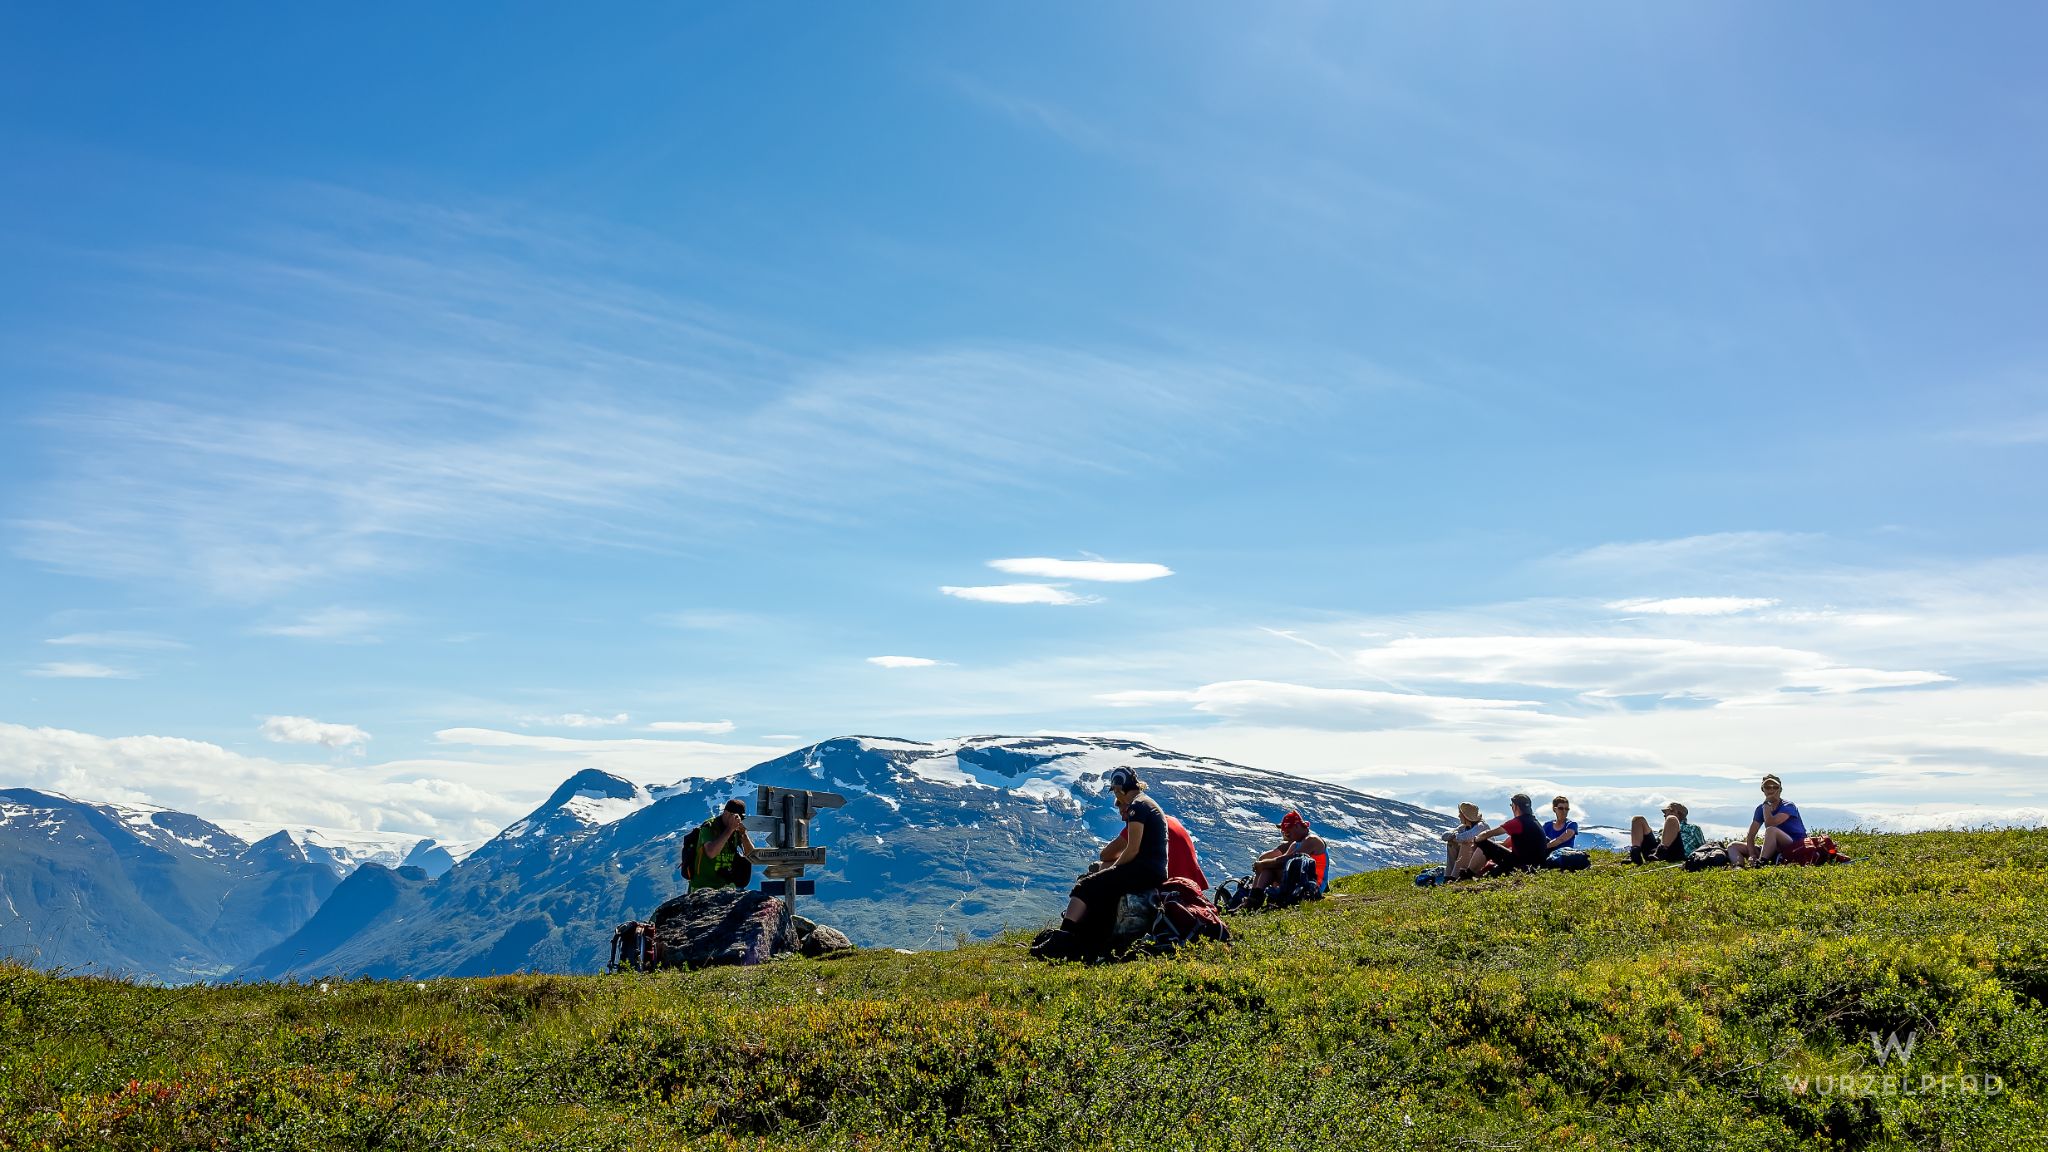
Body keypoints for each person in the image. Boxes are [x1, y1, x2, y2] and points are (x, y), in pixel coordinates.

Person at [1060, 767, 1171, 950]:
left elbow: (1132, 849)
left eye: (1117, 792)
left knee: (1086, 885)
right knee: (1106, 891)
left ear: (1119, 789)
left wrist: (1112, 870)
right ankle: (1090, 940)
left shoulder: (1137, 806)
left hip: (1144, 869)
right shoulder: (1146, 803)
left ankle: (1063, 937)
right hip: (1152, 870)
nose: (1117, 797)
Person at [1100, 796, 1208, 891]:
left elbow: (1105, 855)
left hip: (1168, 882)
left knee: (1104, 866)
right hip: (1193, 883)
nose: (1123, 818)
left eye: (1124, 812)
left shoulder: (1140, 822)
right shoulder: (1172, 820)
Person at [1729, 774, 1811, 866]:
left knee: (1771, 830)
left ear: (1780, 790)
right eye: (1767, 787)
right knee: (1733, 846)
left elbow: (1770, 823)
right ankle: (1738, 867)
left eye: (1775, 787)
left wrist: (1766, 804)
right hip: (1773, 848)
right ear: (1763, 790)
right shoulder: (1761, 809)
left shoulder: (1788, 806)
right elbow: (1751, 835)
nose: (1771, 790)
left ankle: (1761, 862)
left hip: (1794, 844)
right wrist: (1752, 854)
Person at [1461, 794, 1549, 877]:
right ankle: (1475, 873)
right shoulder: (1534, 822)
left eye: (1512, 806)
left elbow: (1487, 834)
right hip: (1536, 867)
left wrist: (1476, 841)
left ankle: (1468, 874)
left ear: (1516, 807)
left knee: (1483, 843)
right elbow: (1506, 843)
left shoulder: (1517, 822)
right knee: (1491, 847)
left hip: (1521, 866)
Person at [1251, 811, 1328, 895]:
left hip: (1314, 885)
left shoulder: (1312, 840)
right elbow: (1282, 860)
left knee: (1269, 867)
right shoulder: (1295, 844)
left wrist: (1262, 864)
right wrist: (1261, 865)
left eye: (1287, 832)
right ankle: (1253, 897)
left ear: (1297, 826)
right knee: (1268, 867)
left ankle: (1255, 897)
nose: (1286, 836)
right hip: (1302, 881)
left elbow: (1285, 860)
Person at [685, 798, 754, 891]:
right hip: (702, 886)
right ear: (726, 813)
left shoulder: (736, 830)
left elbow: (751, 854)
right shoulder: (709, 826)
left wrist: (743, 834)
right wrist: (730, 829)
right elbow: (711, 853)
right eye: (735, 817)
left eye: (740, 818)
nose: (737, 821)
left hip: (726, 886)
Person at [1628, 800, 1704, 865]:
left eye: (1666, 812)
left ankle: (1659, 855)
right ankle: (1635, 854)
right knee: (1638, 819)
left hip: (1675, 853)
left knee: (1671, 819)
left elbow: (1703, 847)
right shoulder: (1663, 830)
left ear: (1675, 812)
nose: (1664, 815)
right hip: (1655, 852)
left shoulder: (1693, 828)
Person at [1441, 802, 1486, 880]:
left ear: (1466, 816)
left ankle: (1455, 876)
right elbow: (1444, 836)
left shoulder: (1481, 826)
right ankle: (1448, 875)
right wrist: (1455, 835)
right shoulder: (1463, 827)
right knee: (1451, 843)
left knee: (1466, 844)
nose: (1458, 816)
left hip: (1481, 857)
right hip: (1471, 856)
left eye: (1460, 814)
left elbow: (1468, 837)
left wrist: (1456, 837)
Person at [1540, 796, 1585, 869]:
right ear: (1555, 809)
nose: (1564, 811)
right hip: (1548, 857)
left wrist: (1542, 847)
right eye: (1561, 808)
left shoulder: (1571, 824)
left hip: (1565, 857)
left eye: (1566, 809)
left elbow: (1562, 839)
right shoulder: (1547, 825)